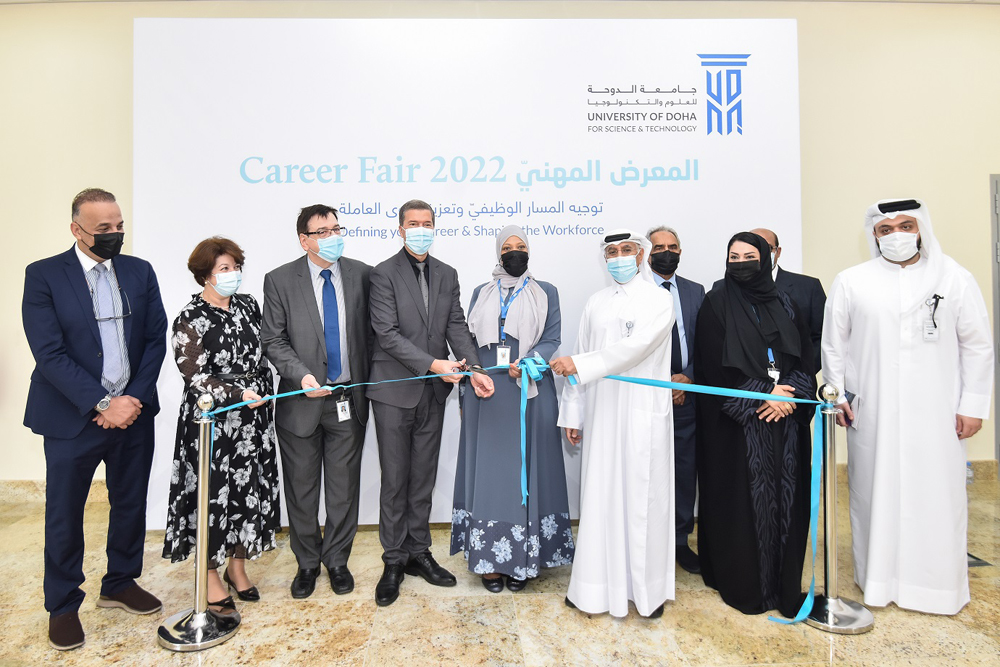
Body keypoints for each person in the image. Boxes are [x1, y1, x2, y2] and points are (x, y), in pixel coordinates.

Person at [822, 198, 993, 615]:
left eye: (905, 225)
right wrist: (838, 394)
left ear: (921, 229)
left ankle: (936, 588)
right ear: (874, 236)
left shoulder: (954, 278)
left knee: (936, 495)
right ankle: (877, 579)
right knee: (873, 494)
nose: (895, 234)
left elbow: (978, 344)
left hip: (937, 412)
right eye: (885, 229)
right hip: (872, 412)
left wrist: (973, 405)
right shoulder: (852, 280)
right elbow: (834, 345)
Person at [22, 188, 167, 650]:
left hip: (134, 413)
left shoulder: (139, 271)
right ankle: (62, 606)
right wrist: (103, 404)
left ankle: (120, 583)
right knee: (64, 513)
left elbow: (155, 339)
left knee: (130, 502)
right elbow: (48, 353)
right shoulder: (44, 275)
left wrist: (131, 400)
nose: (114, 234)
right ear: (76, 229)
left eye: (119, 225)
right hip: (72, 417)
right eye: (103, 228)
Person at [368, 199, 495, 607]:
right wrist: (434, 363)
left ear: (434, 227)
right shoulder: (383, 274)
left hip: (433, 393)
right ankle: (393, 560)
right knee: (395, 479)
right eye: (413, 224)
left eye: (427, 223)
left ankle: (418, 552)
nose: (421, 229)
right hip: (393, 391)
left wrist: (474, 366)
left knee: (422, 476)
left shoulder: (447, 273)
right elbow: (386, 333)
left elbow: (455, 324)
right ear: (400, 229)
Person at [552, 228, 674, 619]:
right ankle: (592, 589)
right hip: (602, 412)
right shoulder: (597, 302)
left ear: (641, 255)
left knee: (643, 499)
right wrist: (573, 412)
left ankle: (646, 594)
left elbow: (634, 349)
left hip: (642, 415)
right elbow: (581, 352)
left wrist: (581, 366)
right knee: (600, 496)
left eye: (626, 250)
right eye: (612, 252)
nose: (618, 257)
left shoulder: (659, 299)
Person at [693, 231, 815, 618]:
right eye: (734, 256)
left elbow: (806, 358)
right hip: (739, 430)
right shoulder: (715, 304)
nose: (741, 262)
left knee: (788, 505)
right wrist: (764, 394)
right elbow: (712, 366)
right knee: (743, 508)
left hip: (787, 423)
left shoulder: (787, 302)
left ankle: (783, 586)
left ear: (765, 259)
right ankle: (745, 586)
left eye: (750, 255)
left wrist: (790, 394)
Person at [451, 225, 574, 593]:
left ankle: (524, 561)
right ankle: (490, 561)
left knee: (527, 470)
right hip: (486, 391)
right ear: (498, 253)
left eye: (521, 246)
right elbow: (469, 340)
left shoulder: (546, 292)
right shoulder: (480, 292)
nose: (515, 252)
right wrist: (470, 373)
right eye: (508, 247)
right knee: (490, 473)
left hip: (529, 390)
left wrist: (532, 360)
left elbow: (552, 337)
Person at [262, 204, 373, 599]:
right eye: (323, 232)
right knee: (302, 488)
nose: (333, 236)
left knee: (343, 489)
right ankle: (307, 563)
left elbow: (375, 334)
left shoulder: (362, 274)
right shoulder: (279, 280)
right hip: (300, 402)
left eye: (336, 228)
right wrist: (301, 375)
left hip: (347, 400)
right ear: (304, 240)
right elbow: (273, 339)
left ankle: (337, 560)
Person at [163, 237, 281, 608]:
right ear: (205, 276)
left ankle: (238, 568)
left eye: (236, 267)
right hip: (213, 426)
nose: (233, 275)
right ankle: (210, 576)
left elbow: (265, 352)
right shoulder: (189, 318)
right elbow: (194, 375)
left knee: (249, 496)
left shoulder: (248, 305)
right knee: (214, 499)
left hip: (253, 423)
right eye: (224, 270)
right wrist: (237, 393)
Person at [646, 225, 705, 575]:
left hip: (687, 396)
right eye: (659, 247)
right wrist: (661, 381)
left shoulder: (696, 292)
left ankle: (680, 541)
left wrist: (689, 377)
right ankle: (650, 540)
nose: (666, 252)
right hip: (647, 394)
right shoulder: (635, 292)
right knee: (649, 469)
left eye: (673, 246)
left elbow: (709, 341)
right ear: (647, 253)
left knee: (684, 471)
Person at [751, 227, 826, 371]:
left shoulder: (808, 287)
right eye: (753, 248)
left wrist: (800, 376)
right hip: (743, 387)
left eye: (766, 247)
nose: (760, 253)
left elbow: (822, 338)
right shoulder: (721, 289)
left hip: (796, 383)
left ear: (778, 252)